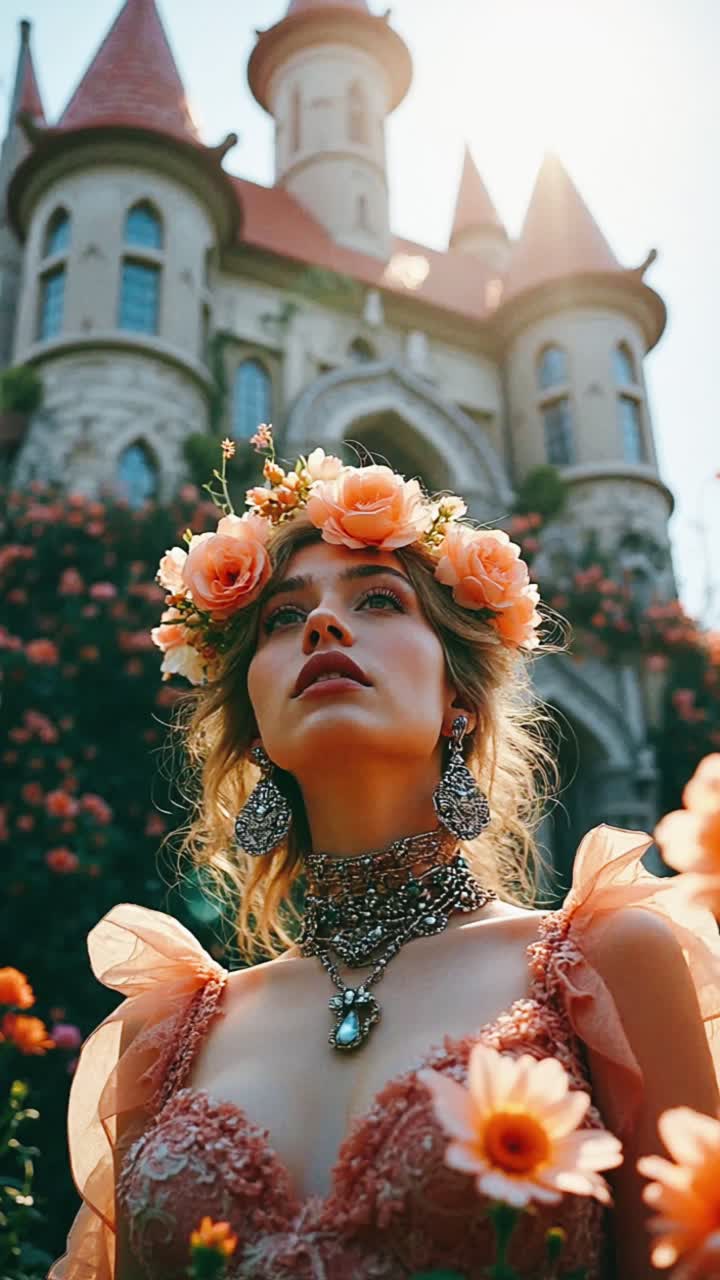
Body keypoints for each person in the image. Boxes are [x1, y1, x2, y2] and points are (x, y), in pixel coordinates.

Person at [49, 439, 720, 1280]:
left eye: (378, 599)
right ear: (254, 728)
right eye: (282, 618)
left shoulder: (611, 968)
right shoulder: (161, 1034)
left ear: (458, 699)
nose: (323, 625)